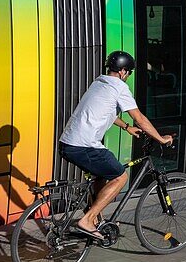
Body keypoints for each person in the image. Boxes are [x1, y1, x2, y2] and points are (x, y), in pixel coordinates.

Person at [58, 50, 173, 240]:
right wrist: (161, 138)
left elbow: (106, 112)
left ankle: (95, 219)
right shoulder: (120, 87)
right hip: (84, 145)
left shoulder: (99, 83)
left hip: (68, 143)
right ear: (123, 72)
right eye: (129, 73)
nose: (128, 77)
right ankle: (88, 219)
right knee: (120, 177)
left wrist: (126, 127)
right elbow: (140, 118)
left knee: (102, 175)